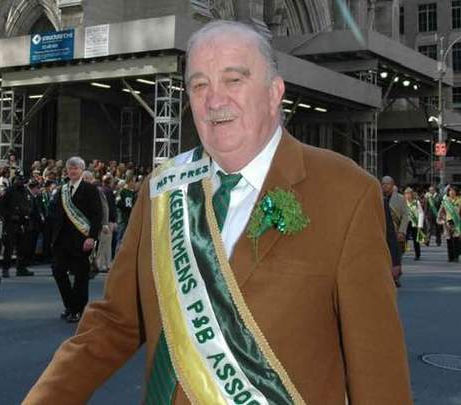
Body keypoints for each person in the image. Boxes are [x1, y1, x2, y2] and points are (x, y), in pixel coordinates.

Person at [24, 21, 412, 404]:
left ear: (275, 93)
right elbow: (115, 323)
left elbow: (377, 365)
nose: (214, 100)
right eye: (199, 85)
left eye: (233, 80)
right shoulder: (163, 189)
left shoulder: (346, 191)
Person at [50, 157, 102, 323]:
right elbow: (55, 213)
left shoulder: (90, 189)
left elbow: (96, 216)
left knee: (81, 276)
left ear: (82, 171)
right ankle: (71, 305)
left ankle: (78, 309)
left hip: (81, 239)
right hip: (62, 240)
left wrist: (92, 237)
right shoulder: (62, 190)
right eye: (70, 169)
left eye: (76, 169)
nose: (72, 172)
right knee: (58, 271)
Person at [0, 173, 35, 277]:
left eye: (22, 180)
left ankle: (21, 268)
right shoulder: (9, 191)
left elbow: (29, 203)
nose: (21, 181)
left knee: (22, 247)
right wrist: (8, 216)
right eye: (18, 179)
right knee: (9, 248)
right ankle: (5, 269)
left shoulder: (25, 191)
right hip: (11, 223)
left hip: (23, 222)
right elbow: (1, 206)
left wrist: (27, 213)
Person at [382, 176, 409, 286]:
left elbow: (405, 216)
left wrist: (402, 231)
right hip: (382, 231)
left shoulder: (400, 198)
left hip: (396, 231)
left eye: (387, 184)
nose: (385, 186)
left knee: (396, 254)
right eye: (383, 184)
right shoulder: (377, 197)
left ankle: (396, 276)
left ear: (393, 185)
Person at [438, 186, 461, 262]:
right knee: (449, 240)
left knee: (456, 240)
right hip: (447, 222)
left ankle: (456, 256)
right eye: (450, 191)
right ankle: (450, 257)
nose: (452, 192)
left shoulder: (459, 200)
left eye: (453, 191)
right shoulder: (446, 201)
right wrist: (441, 218)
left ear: (456, 192)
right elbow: (441, 211)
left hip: (457, 222)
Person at [404, 187, 425, 261]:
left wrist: (420, 224)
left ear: (412, 194)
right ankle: (401, 253)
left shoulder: (416, 202)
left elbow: (421, 213)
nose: (408, 195)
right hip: (406, 223)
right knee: (404, 239)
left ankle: (417, 254)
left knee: (416, 240)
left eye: (409, 194)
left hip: (414, 222)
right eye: (406, 194)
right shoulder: (404, 202)